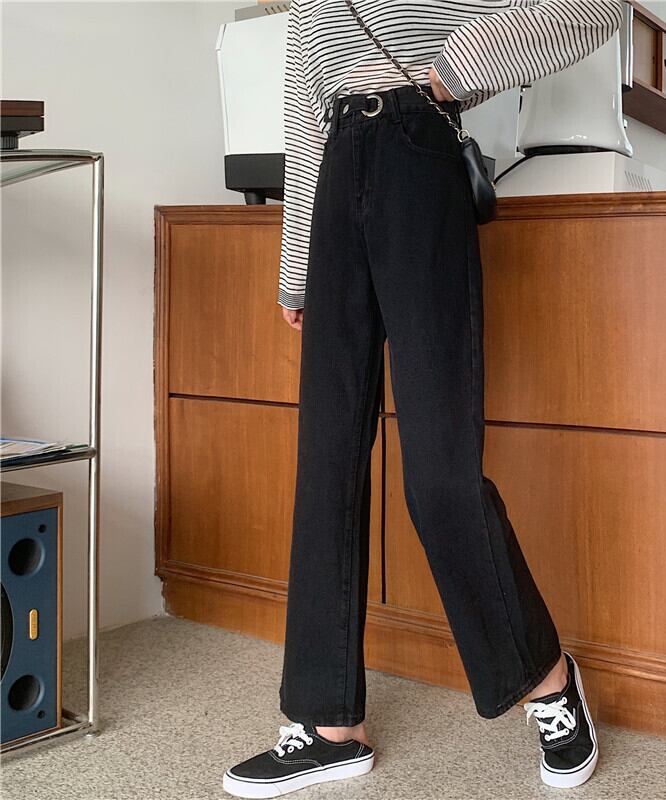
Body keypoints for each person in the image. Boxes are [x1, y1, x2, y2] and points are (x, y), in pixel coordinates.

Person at [223, 1, 623, 797]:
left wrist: (453, 72)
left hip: (418, 158)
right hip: (336, 173)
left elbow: (597, 7)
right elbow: (304, 115)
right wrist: (296, 267)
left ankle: (548, 680)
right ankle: (329, 726)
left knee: (439, 470)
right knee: (328, 461)